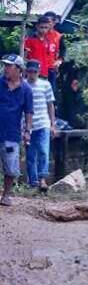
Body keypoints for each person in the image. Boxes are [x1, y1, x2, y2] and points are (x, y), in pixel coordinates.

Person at [0, 55, 33, 206]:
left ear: (19, 69)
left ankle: (6, 195)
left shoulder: (26, 89)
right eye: (5, 65)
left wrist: (28, 130)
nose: (5, 68)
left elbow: (28, 111)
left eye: (9, 66)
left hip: (11, 133)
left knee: (11, 167)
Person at [25, 60, 56, 192]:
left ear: (39, 72)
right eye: (30, 71)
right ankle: (33, 182)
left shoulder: (45, 85)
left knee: (43, 151)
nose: (32, 74)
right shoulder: (23, 85)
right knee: (31, 155)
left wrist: (52, 124)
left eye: (35, 72)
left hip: (43, 122)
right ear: (26, 72)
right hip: (28, 125)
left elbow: (50, 105)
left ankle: (42, 179)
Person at [24, 15, 62, 90]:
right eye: (42, 27)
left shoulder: (50, 39)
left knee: (49, 94)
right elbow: (24, 57)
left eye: (46, 28)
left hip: (48, 71)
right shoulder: (29, 39)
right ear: (37, 26)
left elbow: (56, 52)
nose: (44, 30)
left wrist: (58, 62)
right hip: (33, 72)